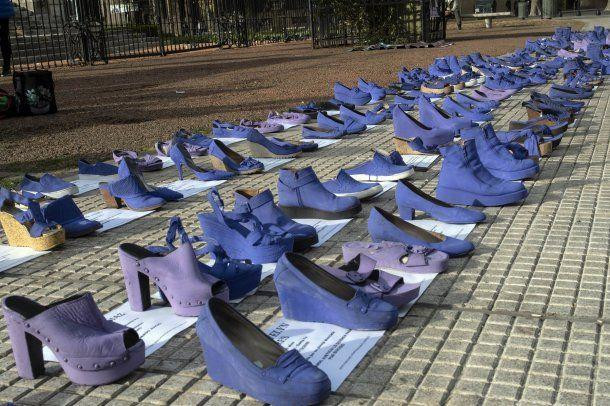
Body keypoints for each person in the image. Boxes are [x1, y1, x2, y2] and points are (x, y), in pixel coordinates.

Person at [0, 0, 14, 77]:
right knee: (4, 40)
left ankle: (6, 68)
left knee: (4, 40)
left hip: (2, 10)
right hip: (4, 10)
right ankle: (6, 68)